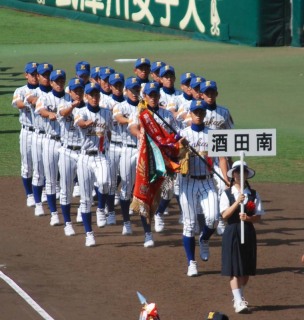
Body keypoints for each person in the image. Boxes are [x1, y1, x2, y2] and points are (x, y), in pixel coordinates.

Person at [179, 99, 228, 277]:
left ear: (205, 114)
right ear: (190, 114)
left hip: (208, 181)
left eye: (201, 112)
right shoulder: (181, 134)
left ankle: (204, 239)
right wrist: (179, 148)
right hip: (188, 182)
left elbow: (222, 158)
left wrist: (226, 178)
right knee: (189, 224)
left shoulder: (213, 134)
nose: (198, 115)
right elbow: (173, 159)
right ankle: (191, 262)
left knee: (213, 218)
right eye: (195, 112)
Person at [129, 81, 178, 247]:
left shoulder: (167, 114)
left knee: (168, 192)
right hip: (146, 160)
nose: (153, 98)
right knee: (145, 196)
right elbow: (132, 128)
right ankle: (147, 233)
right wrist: (141, 135)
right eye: (150, 95)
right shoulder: (140, 113)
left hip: (164, 160)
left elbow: (174, 135)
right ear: (144, 96)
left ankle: (159, 214)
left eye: (156, 95)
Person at [220, 160, 265, 313]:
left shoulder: (253, 194)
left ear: (247, 174)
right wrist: (236, 203)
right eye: (237, 172)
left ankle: (239, 294)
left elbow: (258, 216)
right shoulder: (227, 194)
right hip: (232, 232)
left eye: (243, 172)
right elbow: (224, 215)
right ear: (233, 175)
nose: (240, 174)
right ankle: (238, 301)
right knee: (234, 268)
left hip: (248, 232)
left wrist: (248, 218)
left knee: (245, 270)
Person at [74, 82, 112, 247]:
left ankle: (101, 208)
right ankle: (89, 234)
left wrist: (107, 145)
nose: (94, 97)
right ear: (86, 97)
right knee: (85, 199)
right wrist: (89, 123)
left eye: (97, 95)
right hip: (84, 158)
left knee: (105, 182)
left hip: (101, 156)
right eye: (91, 95)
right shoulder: (80, 112)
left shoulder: (106, 113)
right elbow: (79, 124)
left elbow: (109, 130)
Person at [200, 80, 234, 236]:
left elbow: (230, 135)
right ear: (201, 95)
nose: (210, 96)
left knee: (222, 186)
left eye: (212, 93)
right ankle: (202, 218)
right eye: (207, 93)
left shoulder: (224, 112)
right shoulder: (196, 112)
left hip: (219, 157)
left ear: (216, 94)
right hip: (201, 157)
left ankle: (220, 218)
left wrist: (230, 159)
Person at [36, 69, 70, 226]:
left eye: (62, 81)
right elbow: (41, 110)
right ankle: (54, 214)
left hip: (67, 143)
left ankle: (67, 215)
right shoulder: (45, 97)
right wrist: (48, 114)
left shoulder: (70, 97)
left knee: (66, 180)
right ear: (51, 83)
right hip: (50, 141)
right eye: (56, 81)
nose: (59, 84)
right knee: (50, 180)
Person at [57, 78, 86, 236]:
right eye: (75, 91)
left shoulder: (89, 107)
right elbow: (62, 113)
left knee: (84, 186)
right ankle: (68, 222)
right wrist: (73, 105)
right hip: (67, 151)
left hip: (83, 152)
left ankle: (82, 209)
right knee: (66, 189)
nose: (78, 93)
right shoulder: (63, 103)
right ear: (70, 92)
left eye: (80, 90)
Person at [113, 76, 141, 235]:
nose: (135, 93)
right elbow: (118, 118)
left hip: (142, 149)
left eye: (137, 90)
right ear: (126, 91)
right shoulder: (120, 106)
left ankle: (151, 219)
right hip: (126, 150)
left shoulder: (145, 106)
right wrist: (134, 119)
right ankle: (126, 222)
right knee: (126, 186)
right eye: (132, 90)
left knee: (144, 184)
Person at [25, 62, 53, 216]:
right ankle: (37, 203)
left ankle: (52, 207)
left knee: (52, 173)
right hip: (37, 135)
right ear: (37, 76)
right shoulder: (33, 94)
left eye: (49, 75)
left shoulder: (59, 94)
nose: (46, 78)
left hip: (53, 138)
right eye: (43, 75)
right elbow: (33, 100)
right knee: (38, 170)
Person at [12, 62, 39, 208]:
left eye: (36, 73)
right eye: (32, 74)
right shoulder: (20, 90)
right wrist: (32, 103)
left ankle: (43, 193)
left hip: (43, 135)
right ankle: (29, 194)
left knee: (42, 165)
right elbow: (18, 104)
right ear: (26, 75)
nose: (34, 76)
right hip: (27, 132)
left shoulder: (44, 91)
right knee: (27, 165)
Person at [106, 72, 126, 225]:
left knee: (128, 181)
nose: (118, 88)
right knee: (111, 182)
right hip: (112, 146)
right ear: (111, 86)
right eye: (115, 85)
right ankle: (110, 211)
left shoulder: (128, 102)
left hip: (127, 147)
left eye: (120, 85)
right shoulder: (104, 103)